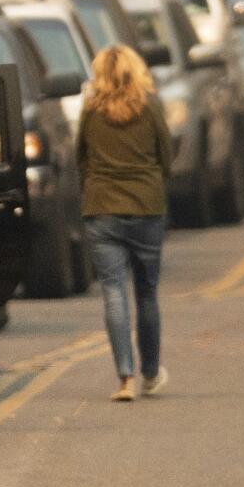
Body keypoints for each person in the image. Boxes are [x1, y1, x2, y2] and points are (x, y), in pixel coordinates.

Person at [77, 42, 173, 402]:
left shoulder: (91, 110)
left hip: (102, 209)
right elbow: (166, 153)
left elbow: (80, 157)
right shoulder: (150, 107)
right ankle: (150, 373)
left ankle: (124, 377)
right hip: (146, 207)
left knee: (113, 292)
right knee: (147, 293)